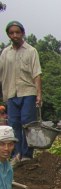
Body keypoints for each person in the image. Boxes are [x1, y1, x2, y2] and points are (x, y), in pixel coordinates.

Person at [0, 21, 42, 164]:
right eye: (12, 33)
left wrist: (38, 94)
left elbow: (37, 73)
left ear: (22, 33)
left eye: (17, 32)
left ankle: (27, 154)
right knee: (13, 124)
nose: (15, 35)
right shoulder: (5, 53)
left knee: (27, 123)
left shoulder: (31, 51)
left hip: (27, 92)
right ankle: (16, 154)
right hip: (11, 93)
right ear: (8, 35)